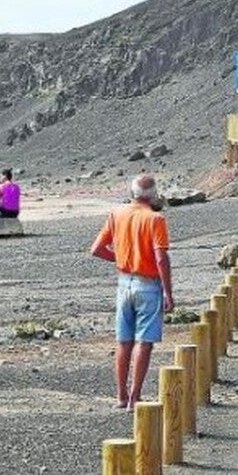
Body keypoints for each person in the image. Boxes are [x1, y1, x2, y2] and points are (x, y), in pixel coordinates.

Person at [89, 174, 174, 411]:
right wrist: (168, 292)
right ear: (154, 195)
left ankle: (121, 395)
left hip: (124, 281)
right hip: (147, 283)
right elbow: (161, 257)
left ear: (133, 192)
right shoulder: (155, 219)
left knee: (123, 340)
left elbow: (96, 249)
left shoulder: (117, 213)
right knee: (144, 342)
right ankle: (135, 397)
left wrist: (121, 259)